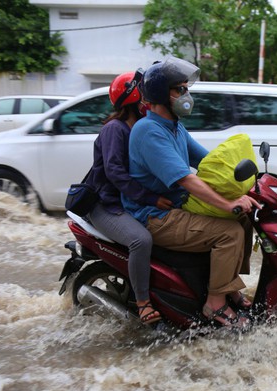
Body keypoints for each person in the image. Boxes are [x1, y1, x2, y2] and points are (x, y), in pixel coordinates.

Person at [123, 58, 259, 329]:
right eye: (179, 90)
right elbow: (186, 179)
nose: (186, 96)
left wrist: (248, 183)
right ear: (162, 94)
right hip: (156, 216)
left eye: (186, 89)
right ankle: (215, 304)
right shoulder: (149, 131)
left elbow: (208, 162)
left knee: (244, 221)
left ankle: (227, 285)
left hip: (176, 206)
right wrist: (226, 203)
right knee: (228, 233)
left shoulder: (175, 127)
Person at [85, 69, 173, 325]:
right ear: (134, 97)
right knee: (141, 240)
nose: (150, 100)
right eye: (145, 95)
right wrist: (151, 198)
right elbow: (115, 173)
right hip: (106, 205)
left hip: (129, 202)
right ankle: (142, 302)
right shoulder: (115, 129)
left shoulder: (144, 127)